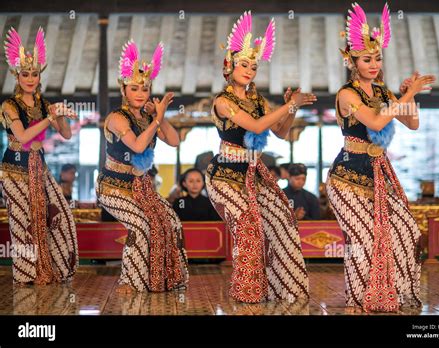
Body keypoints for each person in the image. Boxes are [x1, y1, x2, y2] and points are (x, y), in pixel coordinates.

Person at [326, 3, 436, 313]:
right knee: (363, 239)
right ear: (352, 62)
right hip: (346, 178)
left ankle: (392, 294)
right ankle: (360, 301)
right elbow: (375, 123)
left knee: (404, 230)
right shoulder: (347, 94)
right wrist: (404, 96)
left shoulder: (384, 92)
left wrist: (407, 96)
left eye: (377, 58)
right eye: (366, 59)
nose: (373, 64)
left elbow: (411, 123)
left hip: (378, 174)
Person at [205, 11, 317, 303]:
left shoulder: (257, 99)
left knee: (282, 220)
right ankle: (248, 293)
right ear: (229, 66)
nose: (250, 70)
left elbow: (280, 132)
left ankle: (286, 290)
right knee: (248, 226)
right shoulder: (223, 101)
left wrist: (290, 108)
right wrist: (287, 105)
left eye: (254, 66)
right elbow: (255, 126)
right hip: (226, 175)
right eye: (244, 64)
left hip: (253, 172)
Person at [96, 39, 188, 293]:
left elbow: (174, 141)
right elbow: (137, 146)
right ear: (124, 89)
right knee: (141, 225)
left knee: (172, 221)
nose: (140, 93)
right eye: (134, 88)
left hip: (141, 187)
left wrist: (160, 116)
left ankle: (164, 278)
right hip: (113, 188)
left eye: (144, 89)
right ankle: (130, 281)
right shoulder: (116, 118)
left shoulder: (150, 117)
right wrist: (156, 118)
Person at [0, 27, 78, 285]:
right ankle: (25, 276)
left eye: (34, 73)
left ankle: (56, 267)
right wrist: (49, 118)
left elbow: (65, 134)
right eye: (25, 74)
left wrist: (62, 114)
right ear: (17, 75)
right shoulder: (10, 105)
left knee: (61, 215)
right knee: (22, 225)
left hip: (39, 169)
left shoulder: (46, 104)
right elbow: (22, 138)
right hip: (14, 171)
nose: (30, 78)